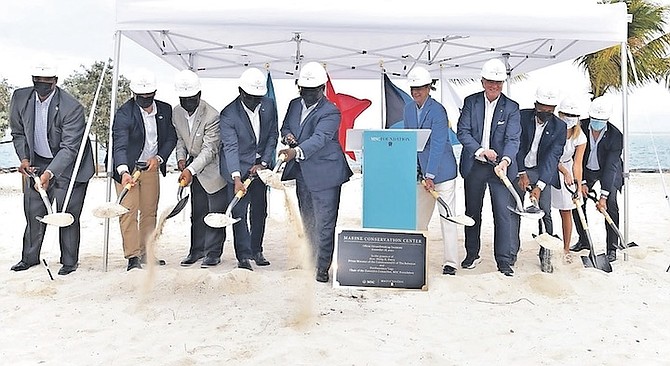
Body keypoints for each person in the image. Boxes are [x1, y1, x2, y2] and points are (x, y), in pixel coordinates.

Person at [9, 61, 95, 276]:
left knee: (67, 213)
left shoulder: (71, 107)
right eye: (37, 82)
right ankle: (29, 258)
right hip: (37, 162)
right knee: (33, 211)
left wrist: (49, 173)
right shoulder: (20, 98)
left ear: (55, 82)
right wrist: (25, 159)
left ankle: (68, 261)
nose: (41, 86)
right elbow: (18, 133)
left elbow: (69, 148)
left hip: (71, 166)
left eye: (46, 83)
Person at [278, 61, 353, 283]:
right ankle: (311, 258)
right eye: (304, 90)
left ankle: (322, 267)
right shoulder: (294, 104)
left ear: (322, 88)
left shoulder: (331, 111)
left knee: (325, 222)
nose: (308, 95)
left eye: (313, 91)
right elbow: (286, 127)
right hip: (303, 173)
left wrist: (295, 151)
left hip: (326, 174)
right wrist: (288, 137)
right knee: (308, 219)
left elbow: (320, 139)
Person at [456, 58, 521, 277]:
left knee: (502, 214)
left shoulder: (512, 108)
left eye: (499, 82)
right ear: (483, 81)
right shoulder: (470, 102)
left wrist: (505, 161)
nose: (494, 86)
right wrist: (480, 150)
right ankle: (471, 254)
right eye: (491, 81)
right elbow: (462, 132)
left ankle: (503, 261)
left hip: (500, 169)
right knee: (472, 212)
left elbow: (513, 139)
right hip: (475, 165)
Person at [110, 69, 177, 271]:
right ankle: (132, 257)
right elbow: (119, 146)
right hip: (127, 169)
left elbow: (171, 138)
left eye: (149, 96)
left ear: (155, 92)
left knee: (149, 211)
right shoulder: (124, 113)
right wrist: (123, 172)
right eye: (142, 97)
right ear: (134, 94)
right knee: (128, 211)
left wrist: (159, 158)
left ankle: (146, 252)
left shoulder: (165, 110)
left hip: (151, 167)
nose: (146, 100)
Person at [219, 68, 278, 270]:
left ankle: (256, 249)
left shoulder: (268, 105)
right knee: (238, 212)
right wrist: (236, 177)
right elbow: (230, 146)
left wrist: (264, 162)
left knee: (260, 210)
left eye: (258, 97)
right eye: (251, 97)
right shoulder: (228, 114)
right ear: (240, 92)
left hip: (260, 167)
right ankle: (243, 256)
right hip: (237, 169)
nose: (255, 101)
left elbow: (272, 135)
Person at [403, 67, 459, 276]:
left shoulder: (438, 111)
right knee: (418, 218)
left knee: (448, 217)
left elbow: (437, 144)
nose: (416, 92)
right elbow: (409, 141)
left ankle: (451, 262)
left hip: (442, 173)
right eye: (413, 88)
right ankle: (415, 258)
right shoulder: (408, 109)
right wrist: (417, 171)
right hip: (421, 173)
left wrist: (431, 175)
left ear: (428, 88)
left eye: (420, 88)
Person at [172, 70, 228, 268]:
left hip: (213, 172)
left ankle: (213, 253)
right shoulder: (176, 112)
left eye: (191, 99)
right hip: (193, 171)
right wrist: (181, 160)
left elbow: (209, 149)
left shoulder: (212, 115)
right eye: (184, 99)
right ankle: (196, 251)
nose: (187, 104)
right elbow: (180, 139)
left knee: (214, 215)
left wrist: (190, 170)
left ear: (199, 95)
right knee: (197, 213)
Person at [511, 86, 566, 273]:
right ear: (535, 105)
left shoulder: (560, 127)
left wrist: (540, 185)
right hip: (519, 167)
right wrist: (521, 172)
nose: (546, 113)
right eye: (543, 109)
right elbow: (516, 145)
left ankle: (546, 254)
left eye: (551, 110)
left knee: (545, 214)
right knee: (515, 209)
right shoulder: (520, 117)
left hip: (542, 171)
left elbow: (553, 157)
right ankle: (511, 253)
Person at [569, 96, 623, 262]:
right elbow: (574, 156)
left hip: (608, 171)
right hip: (586, 170)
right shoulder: (580, 127)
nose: (597, 122)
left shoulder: (615, 136)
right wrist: (582, 182)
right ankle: (584, 240)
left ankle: (612, 247)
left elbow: (611, 167)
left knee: (611, 205)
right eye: (595, 119)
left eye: (601, 120)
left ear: (607, 119)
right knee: (576, 201)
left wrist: (603, 196)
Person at [551, 95, 587, 263]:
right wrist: (564, 171)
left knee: (567, 210)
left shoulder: (580, 136)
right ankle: (546, 242)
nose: (570, 119)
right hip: (550, 167)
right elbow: (548, 155)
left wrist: (578, 186)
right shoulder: (551, 128)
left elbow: (577, 164)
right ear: (560, 114)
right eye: (567, 115)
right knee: (544, 209)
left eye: (574, 116)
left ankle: (566, 248)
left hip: (568, 168)